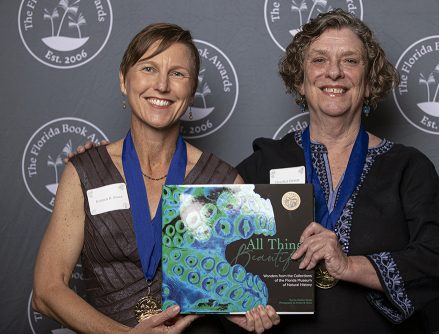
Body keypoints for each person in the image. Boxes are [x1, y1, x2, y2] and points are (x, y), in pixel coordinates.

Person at [32, 23, 279, 334]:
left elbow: (235, 285)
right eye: (149, 68)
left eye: (177, 73)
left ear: (191, 90)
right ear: (124, 79)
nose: (162, 85)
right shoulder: (84, 171)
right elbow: (46, 291)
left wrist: (242, 309)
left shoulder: (224, 182)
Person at [236, 9, 439, 334]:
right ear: (300, 80)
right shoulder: (264, 163)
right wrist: (241, 308)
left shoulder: (408, 167)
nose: (334, 72)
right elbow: (217, 244)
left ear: (369, 82)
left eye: (350, 61)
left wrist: (349, 265)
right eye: (319, 60)